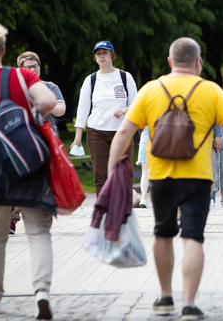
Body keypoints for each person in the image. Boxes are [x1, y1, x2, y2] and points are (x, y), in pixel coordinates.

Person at [107, 37, 223, 320]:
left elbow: (123, 134)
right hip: (198, 177)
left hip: (160, 175)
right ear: (197, 62)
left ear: (169, 62)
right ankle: (189, 304)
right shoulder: (211, 91)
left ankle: (166, 296)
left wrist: (110, 173)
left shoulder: (150, 90)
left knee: (163, 233)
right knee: (193, 237)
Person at [0, 24, 58, 318]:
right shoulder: (23, 75)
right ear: (4, 51)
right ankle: (41, 290)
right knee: (39, 231)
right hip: (30, 163)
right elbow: (49, 102)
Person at [9, 51, 67, 233]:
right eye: (29, 66)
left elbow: (61, 109)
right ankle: (12, 218)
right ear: (20, 69)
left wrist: (41, 106)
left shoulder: (50, 86)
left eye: (36, 66)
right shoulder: (14, 87)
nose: (33, 69)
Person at [71, 41, 137, 196]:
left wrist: (125, 110)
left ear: (112, 55)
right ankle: (104, 211)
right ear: (95, 57)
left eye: (105, 53)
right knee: (101, 174)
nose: (102, 56)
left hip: (122, 132)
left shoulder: (125, 77)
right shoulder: (91, 80)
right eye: (98, 53)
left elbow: (136, 105)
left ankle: (122, 209)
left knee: (122, 172)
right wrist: (78, 137)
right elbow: (83, 110)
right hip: (97, 132)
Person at [136, 126, 150, 208]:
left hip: (145, 141)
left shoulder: (145, 112)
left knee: (145, 173)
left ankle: (143, 198)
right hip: (160, 141)